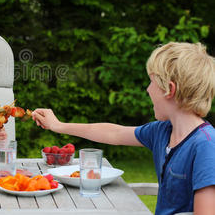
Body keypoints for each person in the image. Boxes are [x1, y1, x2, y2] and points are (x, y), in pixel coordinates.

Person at [32, 42, 215, 215]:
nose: (148, 89)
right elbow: (114, 133)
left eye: (151, 82)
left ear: (169, 89)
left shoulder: (206, 146)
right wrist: (58, 125)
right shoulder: (162, 131)